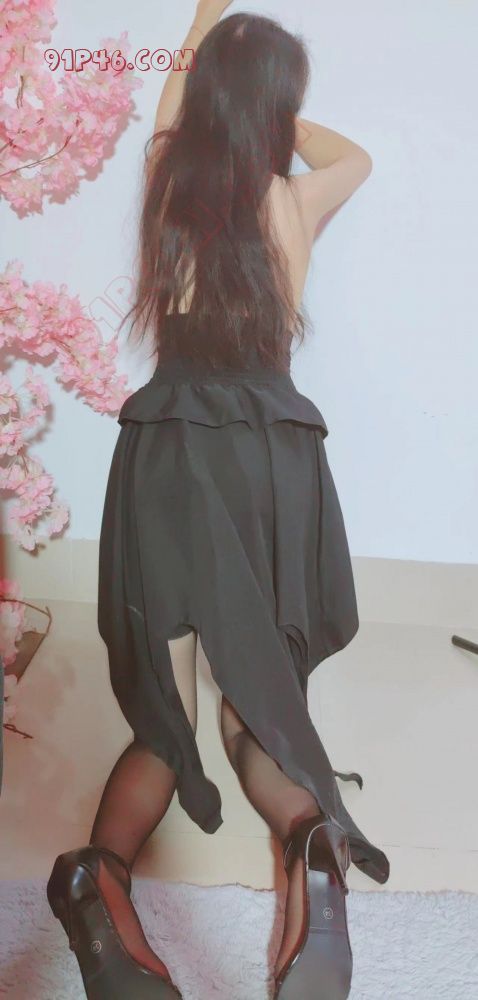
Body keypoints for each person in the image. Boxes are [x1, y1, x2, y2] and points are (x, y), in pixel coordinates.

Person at [47, 4, 390, 998]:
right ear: (276, 108)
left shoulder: (171, 183)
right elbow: (358, 157)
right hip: (270, 456)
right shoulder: (296, 200)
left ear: (201, 102)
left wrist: (208, 40)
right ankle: (308, 841)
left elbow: (181, 94)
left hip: (171, 449)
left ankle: (95, 877)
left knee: (168, 715)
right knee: (255, 713)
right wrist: (271, 118)